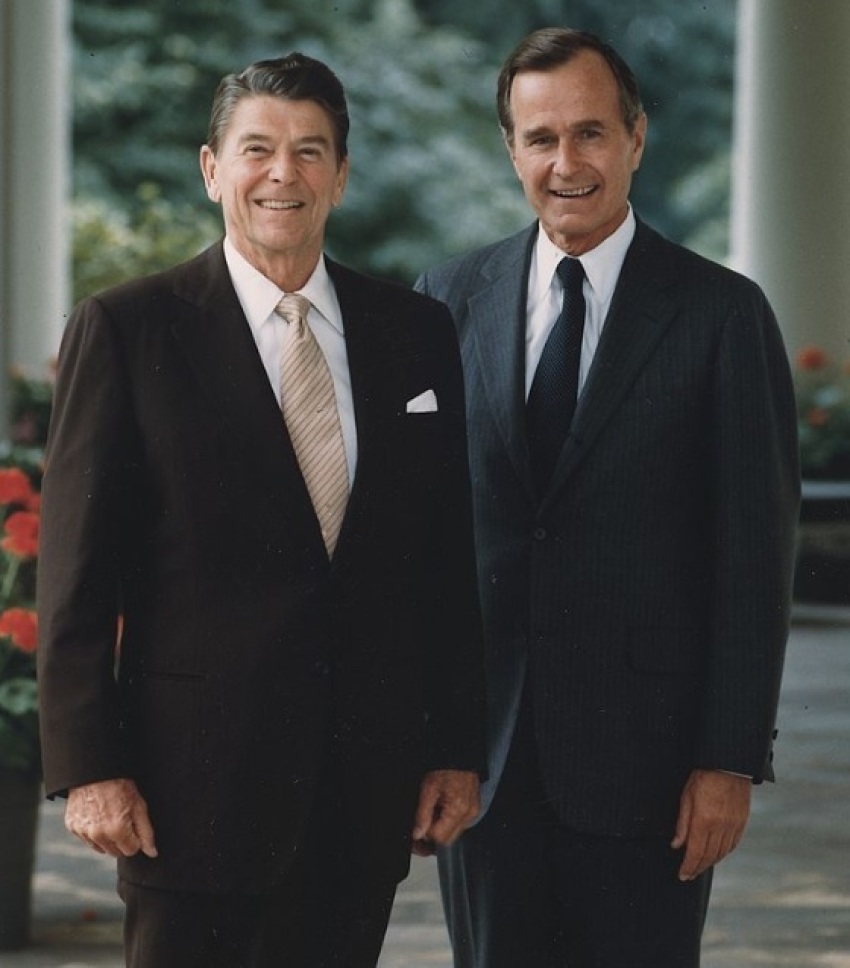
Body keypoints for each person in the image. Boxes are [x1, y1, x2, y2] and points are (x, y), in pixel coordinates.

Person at [37, 52, 485, 968]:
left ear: (342, 175)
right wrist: (89, 767)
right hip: (186, 796)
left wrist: (454, 747)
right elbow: (75, 576)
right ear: (212, 169)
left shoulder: (415, 333)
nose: (284, 174)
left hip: (361, 796)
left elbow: (444, 563)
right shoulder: (127, 330)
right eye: (258, 149)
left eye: (311, 151)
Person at [415, 27, 800, 968]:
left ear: (637, 137)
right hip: (483, 769)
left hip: (652, 772)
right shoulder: (446, 300)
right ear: (511, 148)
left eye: (590, 133)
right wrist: (424, 739)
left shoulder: (721, 313)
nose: (566, 162)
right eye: (540, 138)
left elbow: (754, 557)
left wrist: (727, 759)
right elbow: (419, 544)